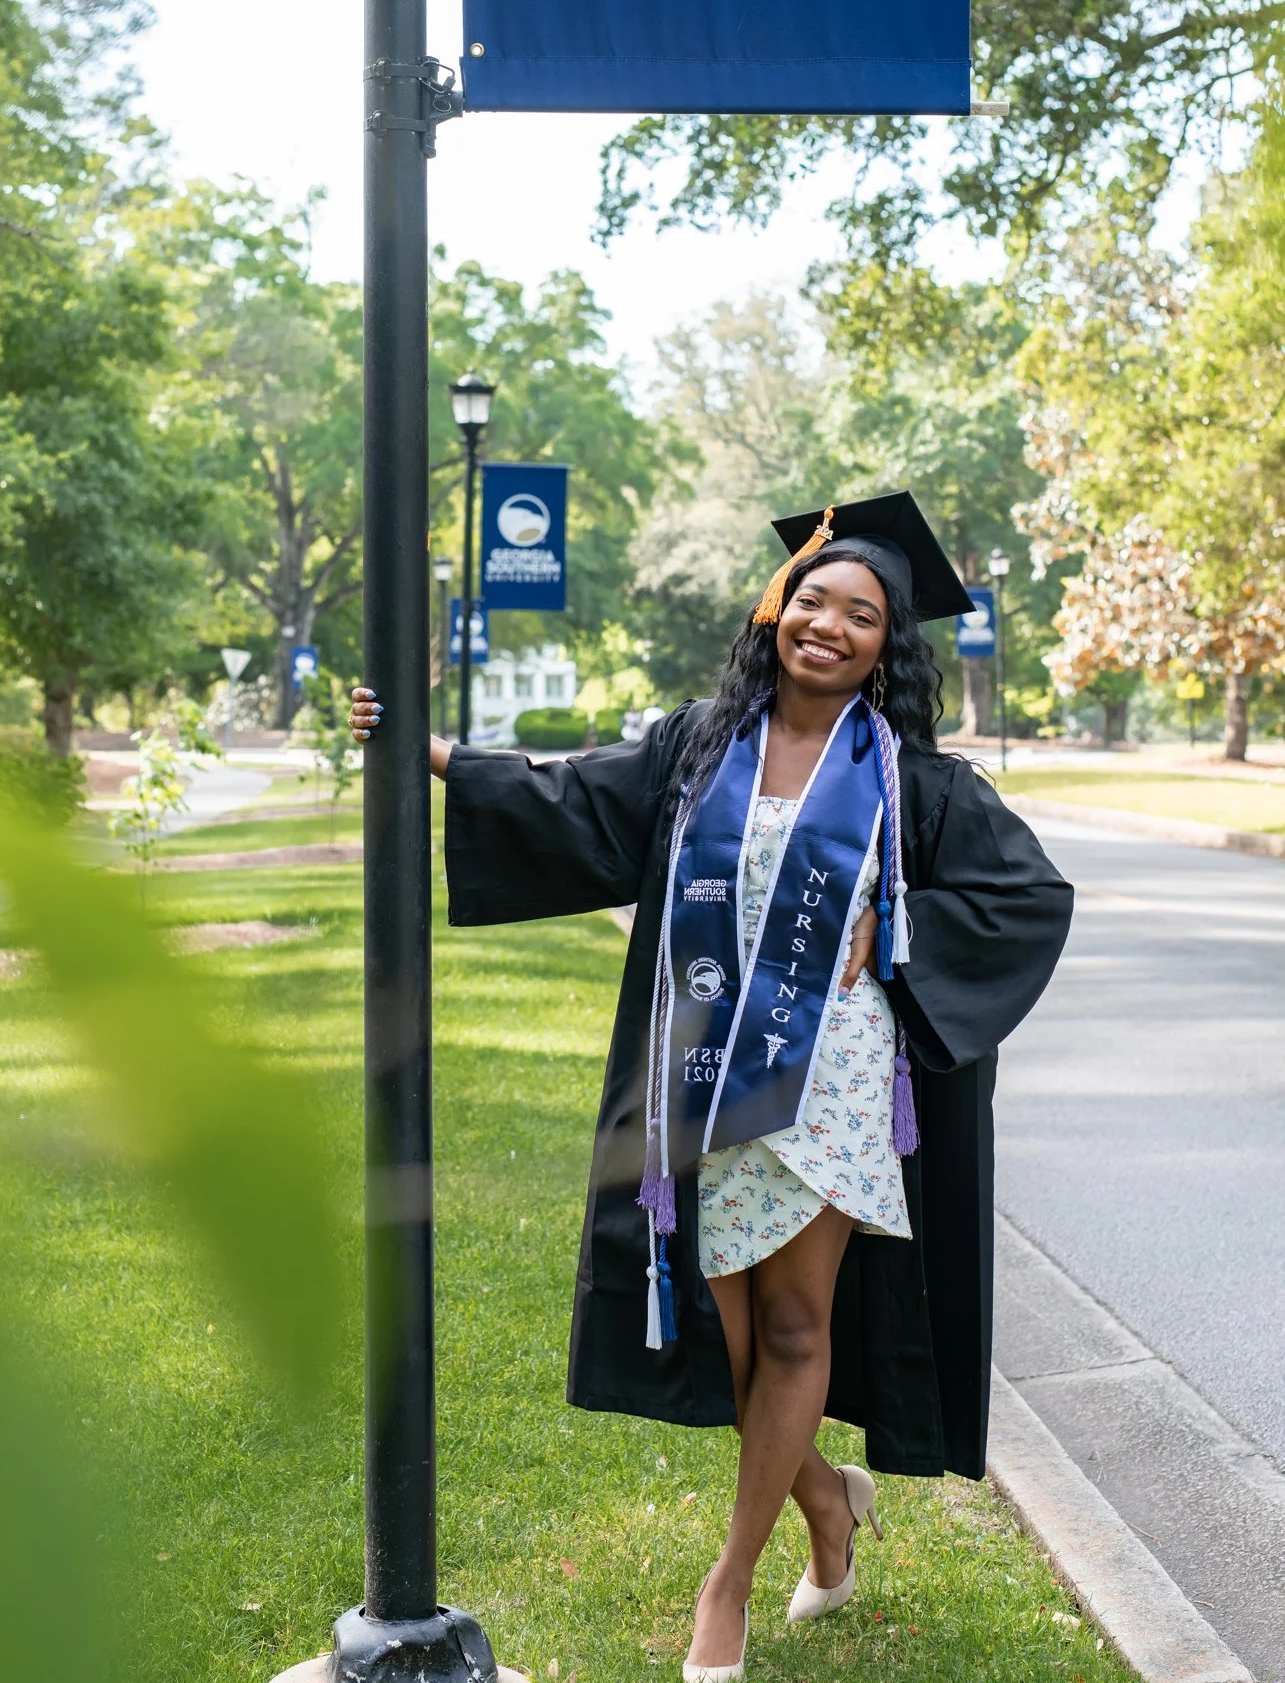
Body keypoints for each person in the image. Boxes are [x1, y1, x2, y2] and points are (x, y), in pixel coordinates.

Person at [349, 491, 1073, 1683]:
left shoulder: (913, 784)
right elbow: (572, 796)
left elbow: (1027, 897)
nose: (829, 625)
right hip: (701, 1077)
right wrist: (423, 750)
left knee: (796, 1329)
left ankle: (723, 1583)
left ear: (889, 645)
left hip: (831, 1081)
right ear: (775, 609)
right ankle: (825, 1502)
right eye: (814, 599)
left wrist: (900, 920)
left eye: (863, 613)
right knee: (729, 1335)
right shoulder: (700, 745)